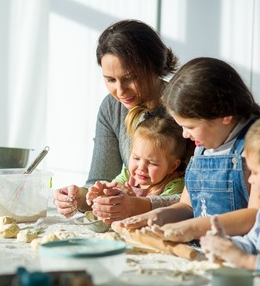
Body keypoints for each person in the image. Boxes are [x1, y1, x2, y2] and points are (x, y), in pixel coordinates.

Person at [112, 57, 260, 242]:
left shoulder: (258, 145)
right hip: (205, 249)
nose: (185, 135)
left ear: (224, 115)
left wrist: (192, 228)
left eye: (190, 127)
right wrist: (155, 216)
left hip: (240, 254)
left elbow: (256, 214)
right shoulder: (203, 147)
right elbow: (187, 206)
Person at [53, 19, 181, 220]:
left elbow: (199, 198)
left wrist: (140, 205)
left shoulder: (184, 106)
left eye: (130, 77)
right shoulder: (112, 107)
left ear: (155, 66)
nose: (120, 92)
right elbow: (101, 179)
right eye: (110, 80)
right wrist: (80, 197)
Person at [200, 109, 260, 271]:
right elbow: (252, 244)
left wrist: (245, 261)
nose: (251, 179)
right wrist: (227, 245)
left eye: (256, 172)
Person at [86, 116, 188, 221]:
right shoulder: (127, 174)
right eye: (136, 158)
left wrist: (133, 201)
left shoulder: (175, 185)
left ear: (173, 166)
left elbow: (163, 213)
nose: (141, 168)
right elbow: (113, 188)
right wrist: (102, 192)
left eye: (152, 163)